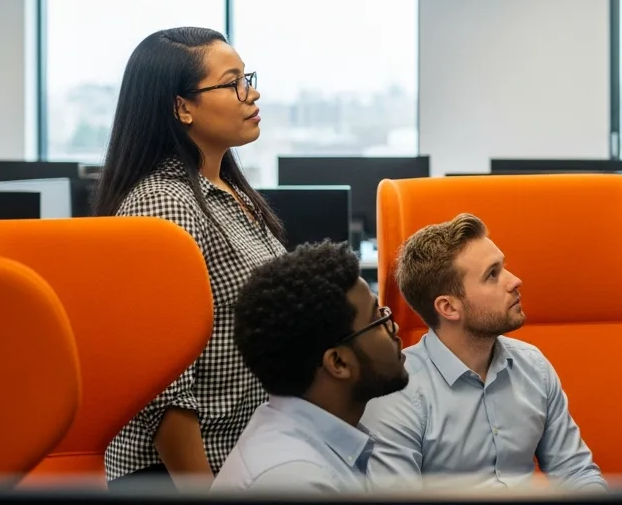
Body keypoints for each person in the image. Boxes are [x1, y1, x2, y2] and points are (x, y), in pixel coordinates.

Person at [95, 27, 287, 489]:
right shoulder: (163, 204)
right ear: (182, 107)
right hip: (182, 476)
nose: (252, 93)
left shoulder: (229, 191)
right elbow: (163, 384)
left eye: (247, 78)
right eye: (232, 82)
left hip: (244, 460)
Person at [362, 213, 606, 492]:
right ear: (449, 307)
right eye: (492, 274)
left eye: (503, 267)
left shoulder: (533, 365)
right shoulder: (396, 394)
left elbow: (575, 471)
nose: (515, 281)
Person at [213, 241, 410, 492]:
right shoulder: (295, 480)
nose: (393, 327)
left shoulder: (305, 441)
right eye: (377, 319)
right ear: (338, 362)